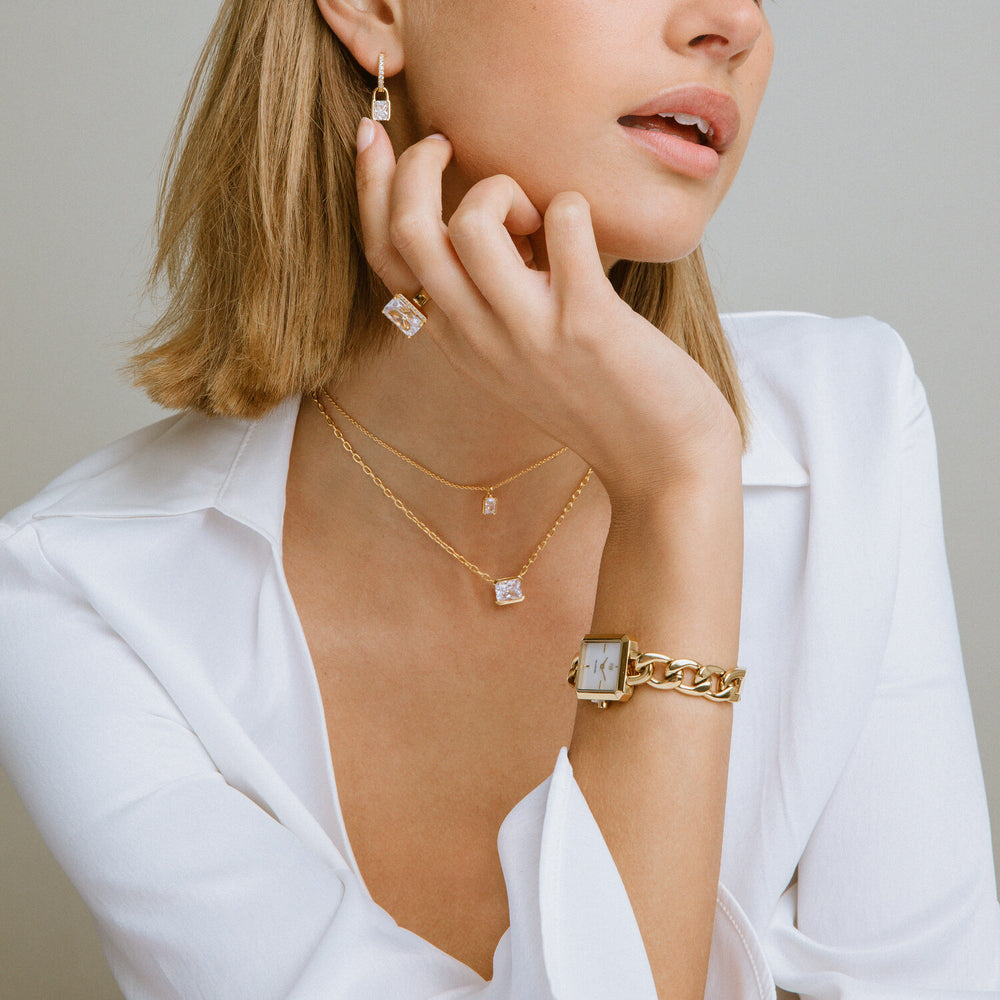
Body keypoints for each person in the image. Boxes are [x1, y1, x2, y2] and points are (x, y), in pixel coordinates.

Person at [1, 0, 998, 996]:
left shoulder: (850, 428)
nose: (733, 22)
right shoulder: (81, 593)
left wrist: (679, 480)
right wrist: (670, 496)